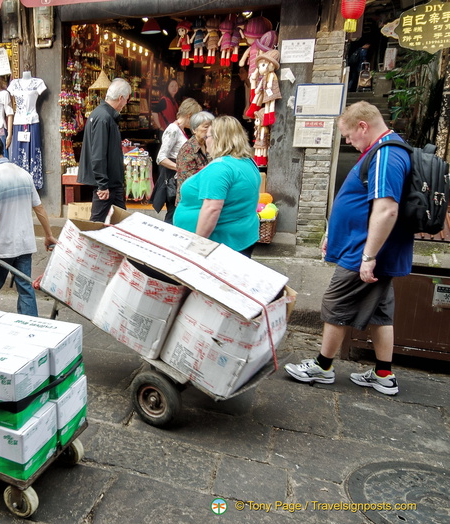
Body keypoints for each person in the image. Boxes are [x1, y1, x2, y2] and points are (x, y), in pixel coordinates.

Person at [285, 102, 412, 396]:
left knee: (334, 304)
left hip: (365, 252)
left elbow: (386, 210)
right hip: (368, 249)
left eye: (349, 135)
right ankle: (383, 374)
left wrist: (368, 257)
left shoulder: (386, 155)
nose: (348, 141)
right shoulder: (382, 151)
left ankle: (323, 366)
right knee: (380, 313)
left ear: (363, 126)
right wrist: (334, 231)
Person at [0, 133, 57, 317]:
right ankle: (31, 329)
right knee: (25, 288)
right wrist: (48, 234)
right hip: (24, 243)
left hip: (1, 246)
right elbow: (39, 207)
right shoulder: (23, 173)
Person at [173, 116, 260, 256]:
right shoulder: (248, 162)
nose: (205, 141)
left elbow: (212, 209)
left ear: (218, 138)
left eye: (207, 137)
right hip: (241, 237)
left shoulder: (220, 168)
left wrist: (198, 247)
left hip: (220, 242)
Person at [76, 77, 132, 222]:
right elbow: (98, 154)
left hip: (111, 182)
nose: (126, 104)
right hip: (108, 182)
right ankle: (85, 244)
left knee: (119, 221)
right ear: (121, 98)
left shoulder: (102, 115)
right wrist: (102, 185)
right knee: (96, 222)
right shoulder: (103, 117)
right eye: (126, 100)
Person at [151, 98, 201, 223]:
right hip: (173, 179)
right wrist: (180, 168)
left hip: (179, 178)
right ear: (189, 115)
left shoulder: (181, 130)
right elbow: (161, 157)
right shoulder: (173, 129)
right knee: (172, 214)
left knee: (176, 213)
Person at [175, 111, 214, 206]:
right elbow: (187, 178)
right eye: (206, 127)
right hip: (190, 201)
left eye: (211, 127)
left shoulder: (208, 145)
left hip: (205, 198)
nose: (209, 130)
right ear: (194, 130)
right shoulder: (188, 149)